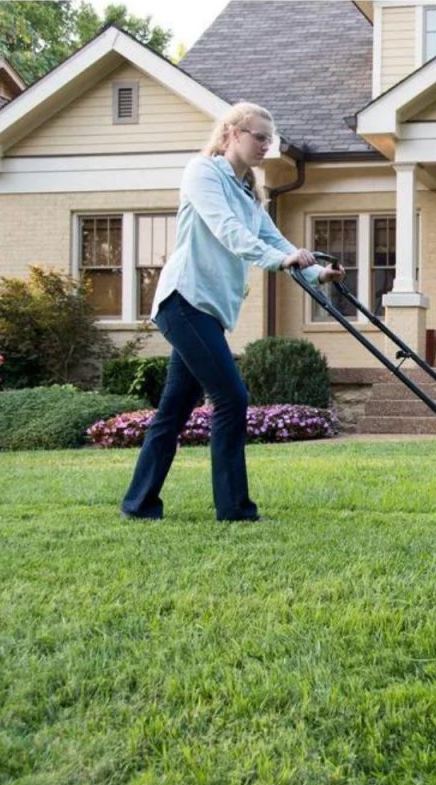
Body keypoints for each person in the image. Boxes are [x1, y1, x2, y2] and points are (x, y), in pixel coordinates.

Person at [121, 102, 343, 522]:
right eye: (259, 137)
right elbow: (229, 232)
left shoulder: (248, 192)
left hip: (206, 311)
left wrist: (319, 273)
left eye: (270, 140)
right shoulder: (203, 173)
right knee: (231, 397)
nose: (266, 146)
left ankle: (138, 503)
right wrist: (282, 260)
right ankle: (234, 509)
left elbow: (273, 239)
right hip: (184, 301)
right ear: (232, 134)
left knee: (174, 411)